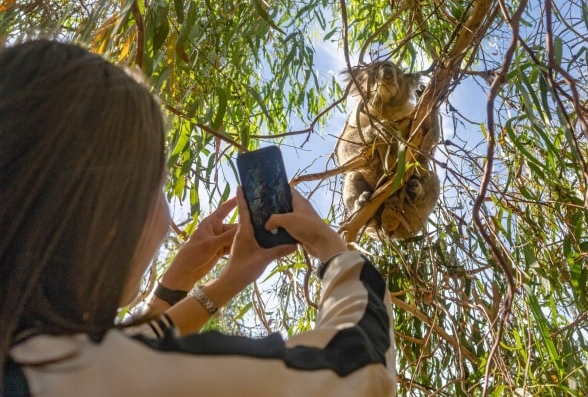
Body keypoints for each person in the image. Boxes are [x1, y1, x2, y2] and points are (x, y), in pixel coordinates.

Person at [0, 40, 396, 396]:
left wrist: (201, 282)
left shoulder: (29, 357)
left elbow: (129, 350)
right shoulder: (84, 375)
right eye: (158, 184)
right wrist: (335, 253)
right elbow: (362, 370)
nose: (165, 211)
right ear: (106, 206)